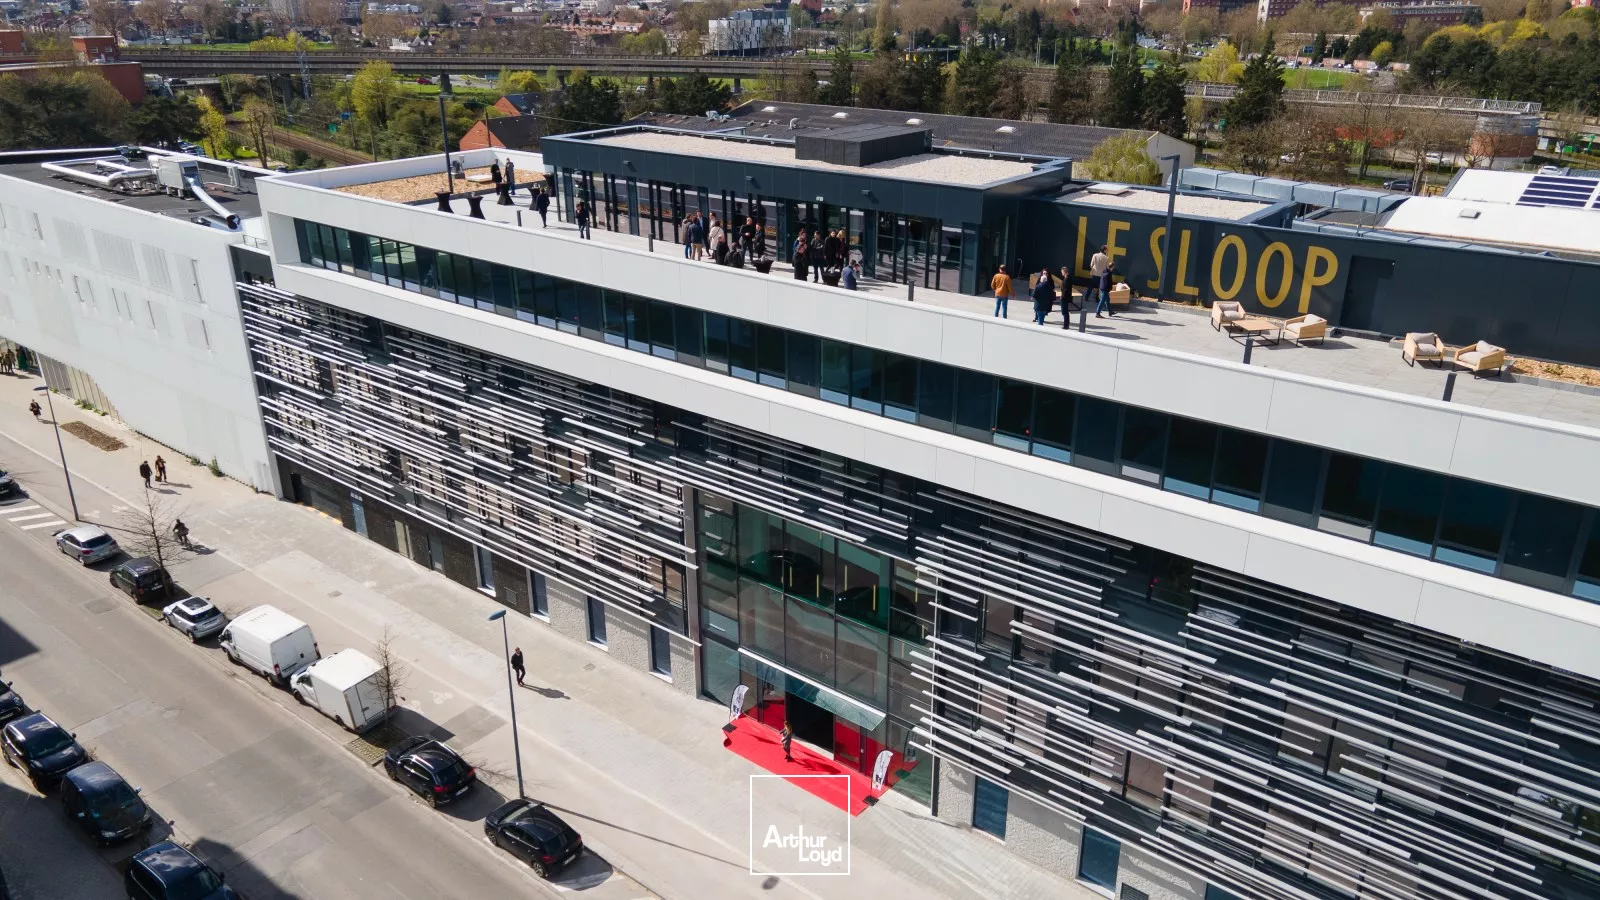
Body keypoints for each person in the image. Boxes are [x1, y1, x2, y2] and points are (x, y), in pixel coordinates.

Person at [1086, 245, 1113, 317]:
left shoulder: (1095, 255)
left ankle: (1086, 298)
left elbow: (1091, 265)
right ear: (1104, 250)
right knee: (1100, 289)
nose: (1107, 251)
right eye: (1107, 249)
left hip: (1095, 274)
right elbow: (1107, 268)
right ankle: (1097, 300)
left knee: (1090, 287)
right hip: (1101, 276)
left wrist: (1094, 270)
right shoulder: (1107, 258)